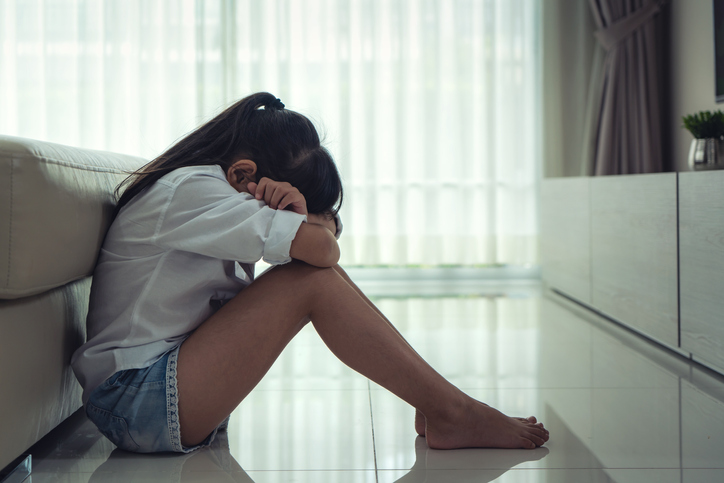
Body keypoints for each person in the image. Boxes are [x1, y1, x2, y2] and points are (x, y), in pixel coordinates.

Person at [71, 92, 549, 454]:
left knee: (310, 274)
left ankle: (440, 405)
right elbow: (323, 251)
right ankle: (451, 411)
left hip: (152, 396)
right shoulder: (193, 190)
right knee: (310, 279)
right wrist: (308, 227)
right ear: (242, 175)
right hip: (132, 401)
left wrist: (305, 220)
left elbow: (322, 243)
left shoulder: (211, 192)